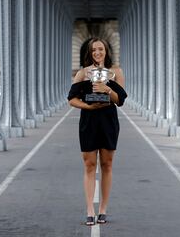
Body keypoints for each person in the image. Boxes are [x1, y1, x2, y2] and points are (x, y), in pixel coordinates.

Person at [67, 37, 127, 226]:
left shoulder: (116, 71)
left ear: (106, 51)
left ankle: (103, 209)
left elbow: (120, 100)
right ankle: (90, 210)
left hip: (109, 121)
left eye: (100, 49)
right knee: (89, 165)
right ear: (90, 53)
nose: (97, 53)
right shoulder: (83, 73)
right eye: (94, 50)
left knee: (107, 165)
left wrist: (107, 89)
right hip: (89, 120)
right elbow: (71, 99)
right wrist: (87, 106)